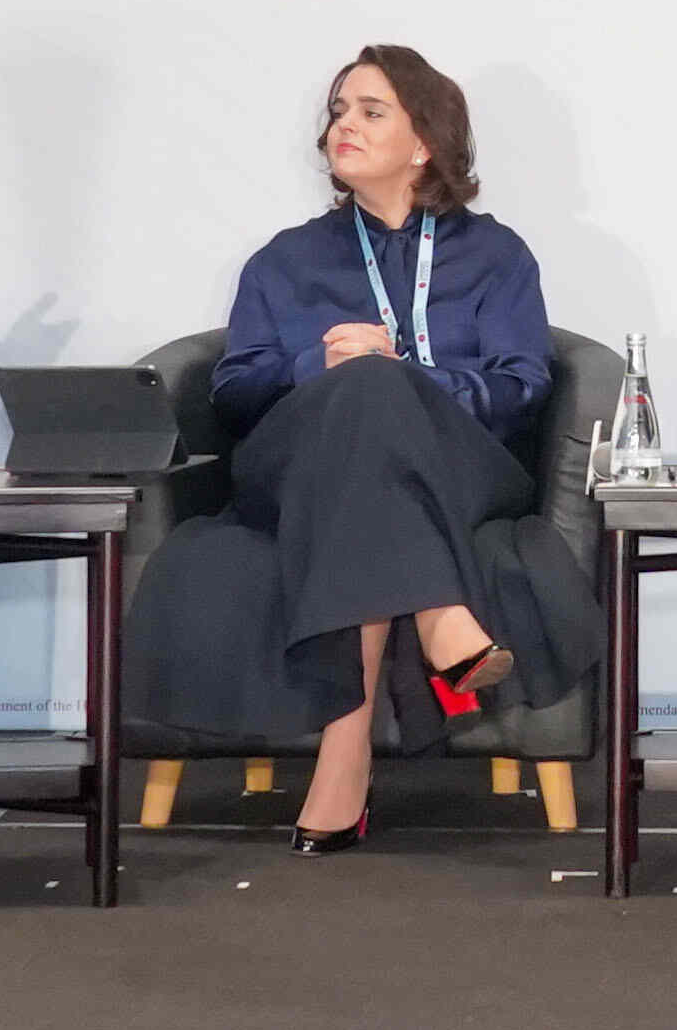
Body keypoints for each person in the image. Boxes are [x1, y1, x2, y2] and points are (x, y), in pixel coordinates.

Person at [135, 45, 594, 850]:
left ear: (425, 142)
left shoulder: (495, 256)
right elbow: (232, 391)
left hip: (460, 469)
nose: (343, 125)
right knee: (361, 397)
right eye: (338, 111)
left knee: (380, 392)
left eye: (371, 111)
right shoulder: (286, 259)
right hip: (298, 474)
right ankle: (440, 613)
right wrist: (318, 367)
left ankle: (344, 761)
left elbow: (524, 383)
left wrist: (410, 384)